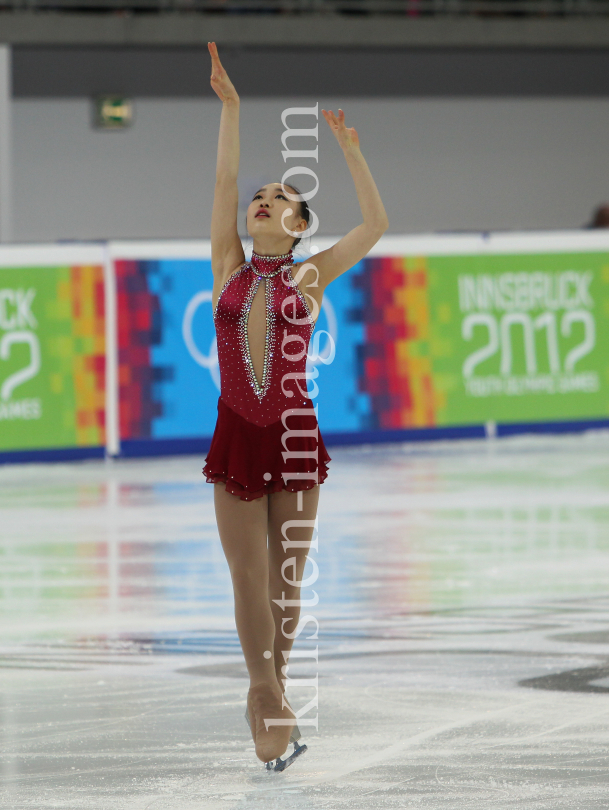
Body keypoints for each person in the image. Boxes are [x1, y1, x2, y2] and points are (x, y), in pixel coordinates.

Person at [202, 41, 388, 771]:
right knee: (247, 574)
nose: (263, 198)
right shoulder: (227, 262)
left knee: (285, 574)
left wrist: (349, 151)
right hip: (235, 433)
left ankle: (272, 685)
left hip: (294, 438)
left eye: (280, 197)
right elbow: (222, 180)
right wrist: (232, 109)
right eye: (262, 194)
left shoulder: (310, 277)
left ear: (301, 223)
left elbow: (373, 228)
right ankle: (264, 691)